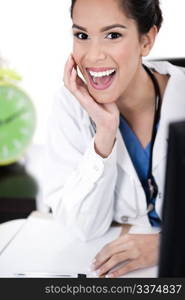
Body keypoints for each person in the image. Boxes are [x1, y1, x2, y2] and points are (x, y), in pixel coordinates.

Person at [42, 0, 185, 277]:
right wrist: (105, 133)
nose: (93, 56)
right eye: (82, 36)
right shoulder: (70, 105)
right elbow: (84, 228)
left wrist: (163, 245)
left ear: (147, 40)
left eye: (113, 35)